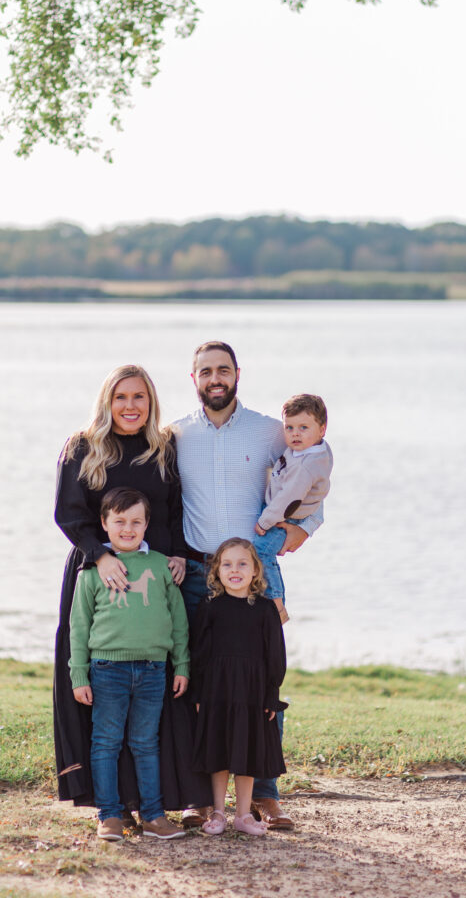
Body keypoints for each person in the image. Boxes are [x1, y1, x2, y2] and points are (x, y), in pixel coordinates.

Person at [174, 340, 324, 830]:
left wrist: (305, 528)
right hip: (197, 578)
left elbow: (311, 470)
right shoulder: (173, 435)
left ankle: (265, 794)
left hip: (255, 577)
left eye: (223, 370)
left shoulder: (269, 432)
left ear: (238, 373)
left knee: (263, 683)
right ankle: (202, 798)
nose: (214, 378)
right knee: (198, 687)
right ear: (193, 378)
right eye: (205, 371)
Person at [54, 363, 211, 813]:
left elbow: (174, 512)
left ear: (151, 402)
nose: (129, 406)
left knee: (159, 692)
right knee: (99, 687)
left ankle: (162, 800)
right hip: (96, 571)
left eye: (138, 397)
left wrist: (179, 553)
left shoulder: (163, 448)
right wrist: (101, 557)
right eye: (121, 397)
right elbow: (68, 513)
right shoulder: (83, 447)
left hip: (155, 574)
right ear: (107, 401)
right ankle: (107, 802)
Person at [70, 487, 189, 841]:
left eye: (136, 521)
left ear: (147, 524)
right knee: (106, 742)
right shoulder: (92, 572)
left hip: (154, 670)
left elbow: (178, 621)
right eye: (119, 521)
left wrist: (181, 665)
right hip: (108, 669)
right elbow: (79, 627)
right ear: (104, 524)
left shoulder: (160, 566)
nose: (128, 528)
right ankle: (109, 815)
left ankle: (153, 815)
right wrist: (79, 674)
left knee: (145, 742)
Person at [191, 538, 287, 837]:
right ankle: (219, 812)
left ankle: (243, 815)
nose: (235, 570)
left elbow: (276, 656)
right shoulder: (209, 607)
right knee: (218, 750)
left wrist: (272, 695)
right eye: (227, 564)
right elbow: (199, 653)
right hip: (216, 690)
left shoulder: (266, 610)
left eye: (243, 563)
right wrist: (198, 693)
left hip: (252, 691)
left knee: (247, 752)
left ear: (256, 570)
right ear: (216, 571)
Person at [253, 393, 333, 624]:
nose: (295, 434)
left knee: (261, 551)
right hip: (280, 509)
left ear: (322, 429)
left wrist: (263, 522)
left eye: (303, 427)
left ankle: (277, 603)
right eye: (289, 428)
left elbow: (287, 500)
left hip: (285, 518)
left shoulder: (306, 467)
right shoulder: (314, 449)